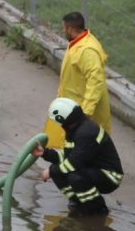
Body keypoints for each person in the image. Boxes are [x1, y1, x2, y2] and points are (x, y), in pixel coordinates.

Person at [32, 97, 123, 216]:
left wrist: (51, 171)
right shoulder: (75, 129)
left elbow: (73, 162)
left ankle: (97, 209)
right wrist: (45, 153)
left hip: (110, 176)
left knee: (74, 176)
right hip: (92, 168)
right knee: (58, 170)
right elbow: (68, 157)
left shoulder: (86, 132)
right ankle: (79, 202)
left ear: (62, 119)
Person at [43, 12, 110, 150]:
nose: (63, 31)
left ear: (70, 29)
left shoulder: (87, 50)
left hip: (81, 112)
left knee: (85, 149)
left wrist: (85, 112)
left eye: (64, 28)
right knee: (72, 147)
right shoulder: (78, 43)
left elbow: (95, 81)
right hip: (72, 109)